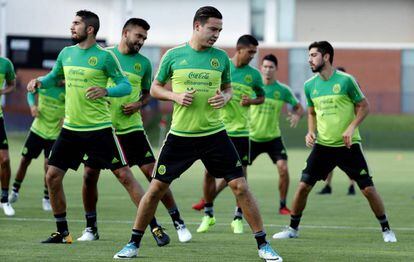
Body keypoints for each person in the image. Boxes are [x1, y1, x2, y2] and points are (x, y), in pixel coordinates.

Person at [113, 6, 282, 261]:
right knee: (156, 188)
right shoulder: (174, 55)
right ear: (197, 26)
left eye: (219, 30)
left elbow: (228, 89)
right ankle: (133, 243)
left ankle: (263, 245)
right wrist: (175, 96)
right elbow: (156, 89)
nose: (216, 34)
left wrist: (224, 97)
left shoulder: (221, 58)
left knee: (240, 185)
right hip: (180, 136)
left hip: (215, 134)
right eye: (213, 29)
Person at [77, 18, 190, 245]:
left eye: (144, 38)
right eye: (138, 36)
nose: (141, 41)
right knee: (89, 176)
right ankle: (91, 228)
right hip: (102, 128)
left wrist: (139, 104)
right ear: (125, 33)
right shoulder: (104, 57)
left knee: (154, 175)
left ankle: (178, 222)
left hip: (131, 129)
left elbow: (148, 94)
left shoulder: (144, 64)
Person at [272, 41, 397, 243]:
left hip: (349, 146)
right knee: (303, 186)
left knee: (368, 189)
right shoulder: (309, 85)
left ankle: (386, 229)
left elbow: (364, 106)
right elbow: (311, 112)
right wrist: (310, 132)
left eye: (313, 55)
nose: (309, 59)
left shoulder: (347, 81)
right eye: (309, 55)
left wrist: (351, 127)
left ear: (327, 56)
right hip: (323, 147)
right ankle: (292, 229)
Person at [27, 10, 133, 244]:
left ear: (90, 29)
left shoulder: (105, 57)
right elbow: (54, 77)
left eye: (76, 24)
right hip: (70, 129)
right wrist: (39, 81)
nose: (71, 27)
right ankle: (63, 233)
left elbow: (126, 86)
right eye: (72, 23)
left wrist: (106, 90)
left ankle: (152, 228)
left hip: (99, 128)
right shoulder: (66, 53)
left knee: (125, 176)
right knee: (52, 176)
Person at [194, 34, 265, 235]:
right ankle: (208, 215)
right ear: (239, 49)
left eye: (254, 52)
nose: (252, 56)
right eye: (250, 52)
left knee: (240, 174)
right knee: (208, 172)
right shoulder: (222, 68)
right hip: (218, 129)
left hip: (242, 131)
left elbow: (261, 97)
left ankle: (238, 217)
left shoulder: (254, 75)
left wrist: (251, 101)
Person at [249, 54, 303, 215]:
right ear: (261, 68)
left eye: (271, 67)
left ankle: (282, 205)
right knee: (232, 173)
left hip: (273, 138)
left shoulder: (283, 90)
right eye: (265, 66)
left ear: (276, 69)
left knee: (283, 168)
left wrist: (296, 115)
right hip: (251, 137)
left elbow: (299, 107)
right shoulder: (253, 87)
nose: (267, 70)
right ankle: (208, 201)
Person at [9, 79, 65, 211]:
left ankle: (46, 198)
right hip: (37, 131)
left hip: (54, 135)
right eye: (61, 76)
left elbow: (74, 106)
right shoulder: (43, 82)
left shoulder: (69, 89)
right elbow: (30, 93)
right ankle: (15, 191)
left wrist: (66, 117)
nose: (63, 80)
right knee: (24, 161)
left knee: (48, 167)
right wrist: (32, 106)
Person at [317, 66, 356, 196]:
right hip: (330, 135)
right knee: (328, 165)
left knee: (350, 165)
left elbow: (360, 107)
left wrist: (352, 126)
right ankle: (327, 186)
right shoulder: (329, 89)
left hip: (347, 136)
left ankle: (352, 186)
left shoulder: (351, 87)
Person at [0, 55, 16, 216]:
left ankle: (4, 199)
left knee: (5, 159)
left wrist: (2, 91)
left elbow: (12, 85)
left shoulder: (5, 64)